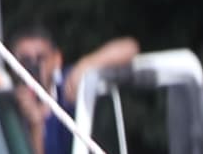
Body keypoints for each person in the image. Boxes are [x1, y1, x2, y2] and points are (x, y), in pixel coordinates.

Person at [8, 31, 138, 154]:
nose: (33, 66)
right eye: (26, 60)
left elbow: (130, 47)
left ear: (56, 59)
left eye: (40, 58)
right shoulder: (5, 106)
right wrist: (35, 126)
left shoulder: (67, 88)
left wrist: (86, 65)